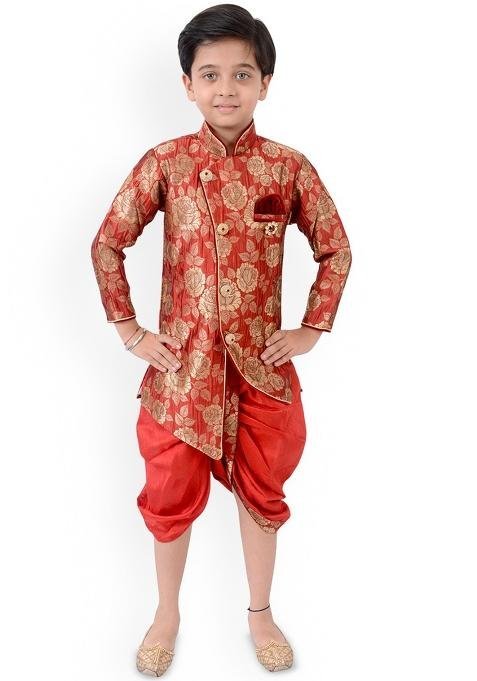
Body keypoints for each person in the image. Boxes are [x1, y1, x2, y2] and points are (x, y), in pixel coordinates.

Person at [91, 3, 352, 675]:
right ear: (187, 84)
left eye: (242, 73)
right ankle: (166, 613)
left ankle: (260, 612)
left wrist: (310, 329)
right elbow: (108, 242)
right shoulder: (166, 163)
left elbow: (335, 248)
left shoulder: (287, 168)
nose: (226, 88)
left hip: (262, 369)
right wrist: (131, 332)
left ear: (265, 81)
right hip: (181, 371)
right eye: (210, 74)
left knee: (263, 494)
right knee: (168, 495)